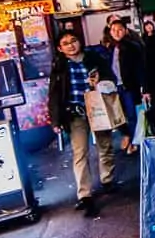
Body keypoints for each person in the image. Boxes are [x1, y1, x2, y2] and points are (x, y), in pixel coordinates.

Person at [47, 30, 117, 217]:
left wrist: (99, 81)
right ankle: (84, 194)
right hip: (75, 113)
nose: (71, 45)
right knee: (80, 153)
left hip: (98, 109)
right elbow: (54, 93)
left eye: (73, 40)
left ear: (80, 42)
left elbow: (112, 81)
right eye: (66, 43)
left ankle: (107, 179)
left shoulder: (94, 58)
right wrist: (55, 119)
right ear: (60, 49)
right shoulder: (60, 65)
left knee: (106, 145)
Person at [109, 19, 145, 154]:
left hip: (129, 86)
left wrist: (144, 87)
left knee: (131, 115)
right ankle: (127, 136)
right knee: (118, 115)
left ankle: (132, 141)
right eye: (113, 30)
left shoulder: (133, 46)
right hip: (114, 87)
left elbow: (140, 68)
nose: (116, 32)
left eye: (119, 29)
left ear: (125, 30)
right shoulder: (110, 47)